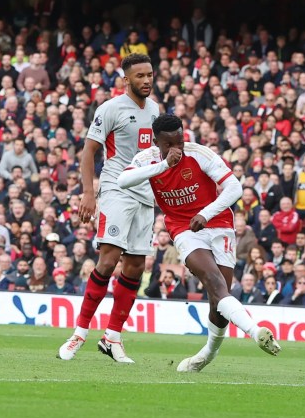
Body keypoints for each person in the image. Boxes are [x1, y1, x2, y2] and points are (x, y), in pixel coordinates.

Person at [117, 114, 280, 372]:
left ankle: (207, 354)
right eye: (169, 144)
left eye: (179, 140)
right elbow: (122, 181)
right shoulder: (146, 160)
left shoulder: (199, 153)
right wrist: (163, 167)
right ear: (157, 142)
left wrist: (207, 213)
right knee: (214, 282)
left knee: (219, 300)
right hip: (184, 229)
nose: (177, 148)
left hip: (218, 224)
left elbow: (234, 188)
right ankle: (255, 330)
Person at [58, 54, 161, 364]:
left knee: (135, 267)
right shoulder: (110, 109)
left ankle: (112, 337)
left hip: (145, 195)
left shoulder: (155, 110)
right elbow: (89, 151)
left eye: (149, 74)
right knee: (109, 259)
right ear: (125, 80)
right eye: (140, 75)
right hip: (117, 188)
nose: (146, 80)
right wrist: (89, 192)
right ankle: (79, 333)